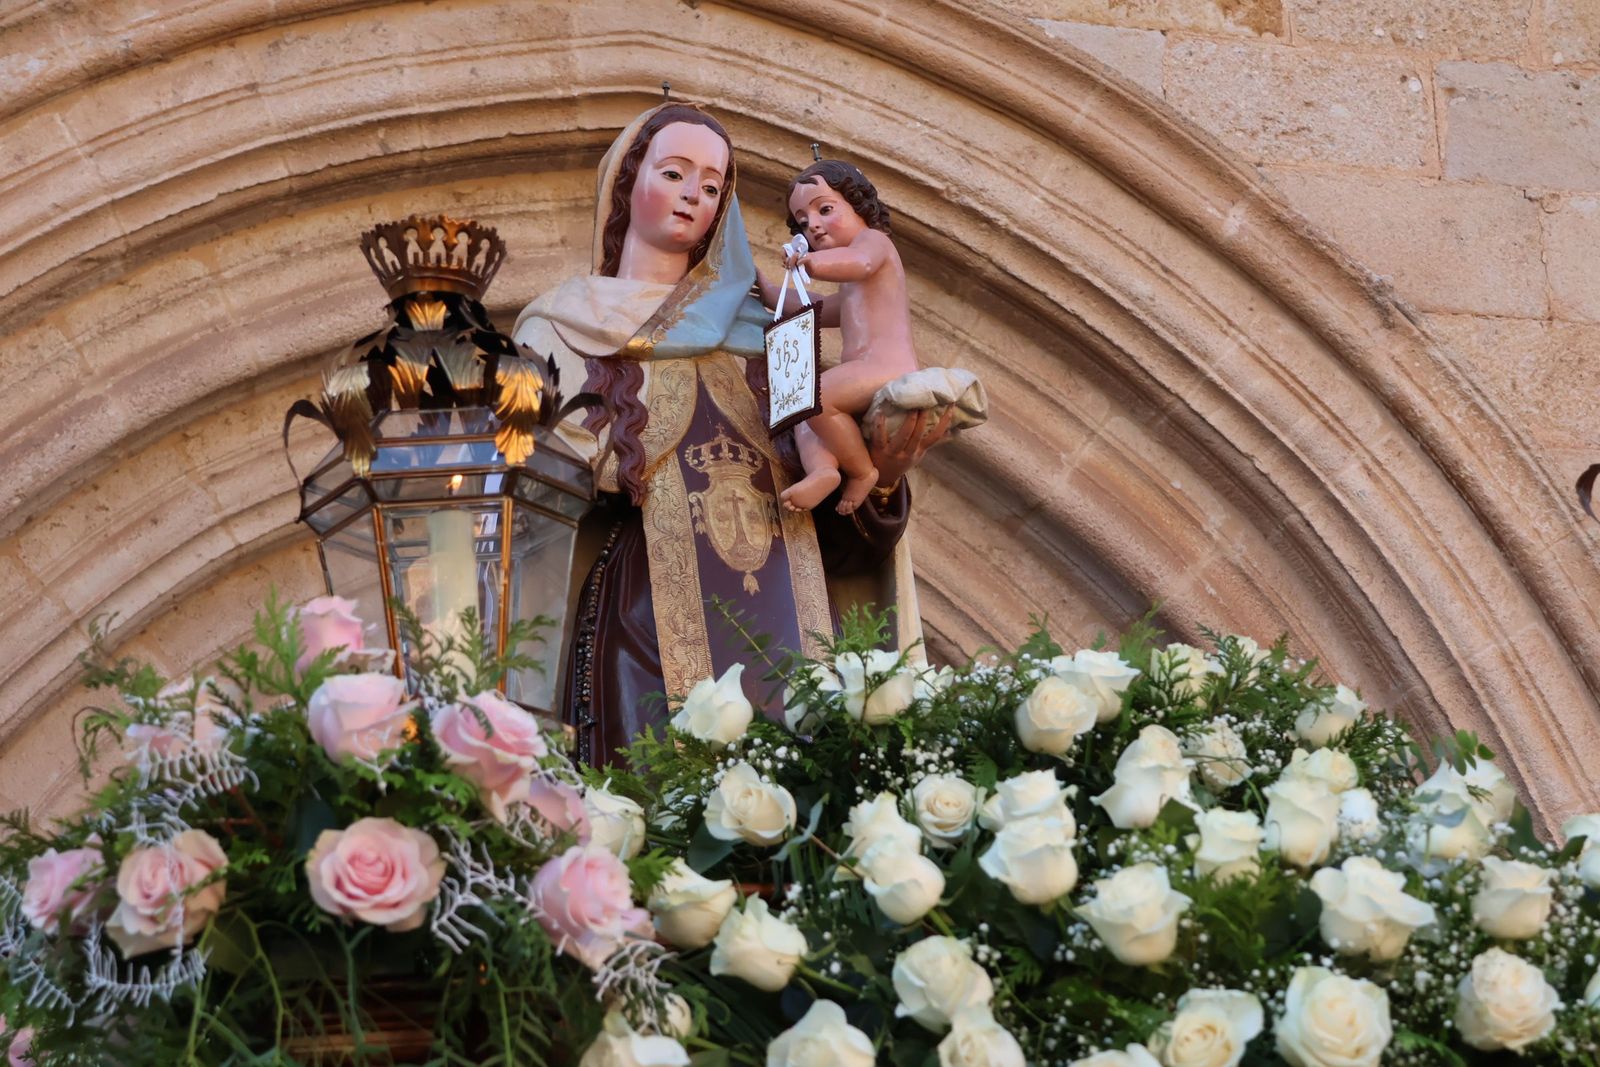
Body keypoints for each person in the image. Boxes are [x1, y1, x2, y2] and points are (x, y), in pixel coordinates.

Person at [513, 104, 949, 767]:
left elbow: (841, 511)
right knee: (649, 798)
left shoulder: (771, 328)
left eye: (713, 186)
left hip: (788, 612)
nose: (695, 195)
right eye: (675, 173)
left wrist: (881, 476)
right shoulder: (563, 324)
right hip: (648, 620)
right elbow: (535, 505)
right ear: (627, 183)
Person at [767, 161, 918, 516]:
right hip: (862, 372)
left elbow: (860, 262)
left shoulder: (874, 243)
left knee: (815, 394)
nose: (813, 225)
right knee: (800, 409)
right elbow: (819, 309)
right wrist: (770, 292)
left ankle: (863, 471)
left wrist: (811, 264)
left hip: (887, 367)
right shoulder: (850, 286)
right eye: (803, 222)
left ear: (859, 206)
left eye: (825, 209)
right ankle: (823, 470)